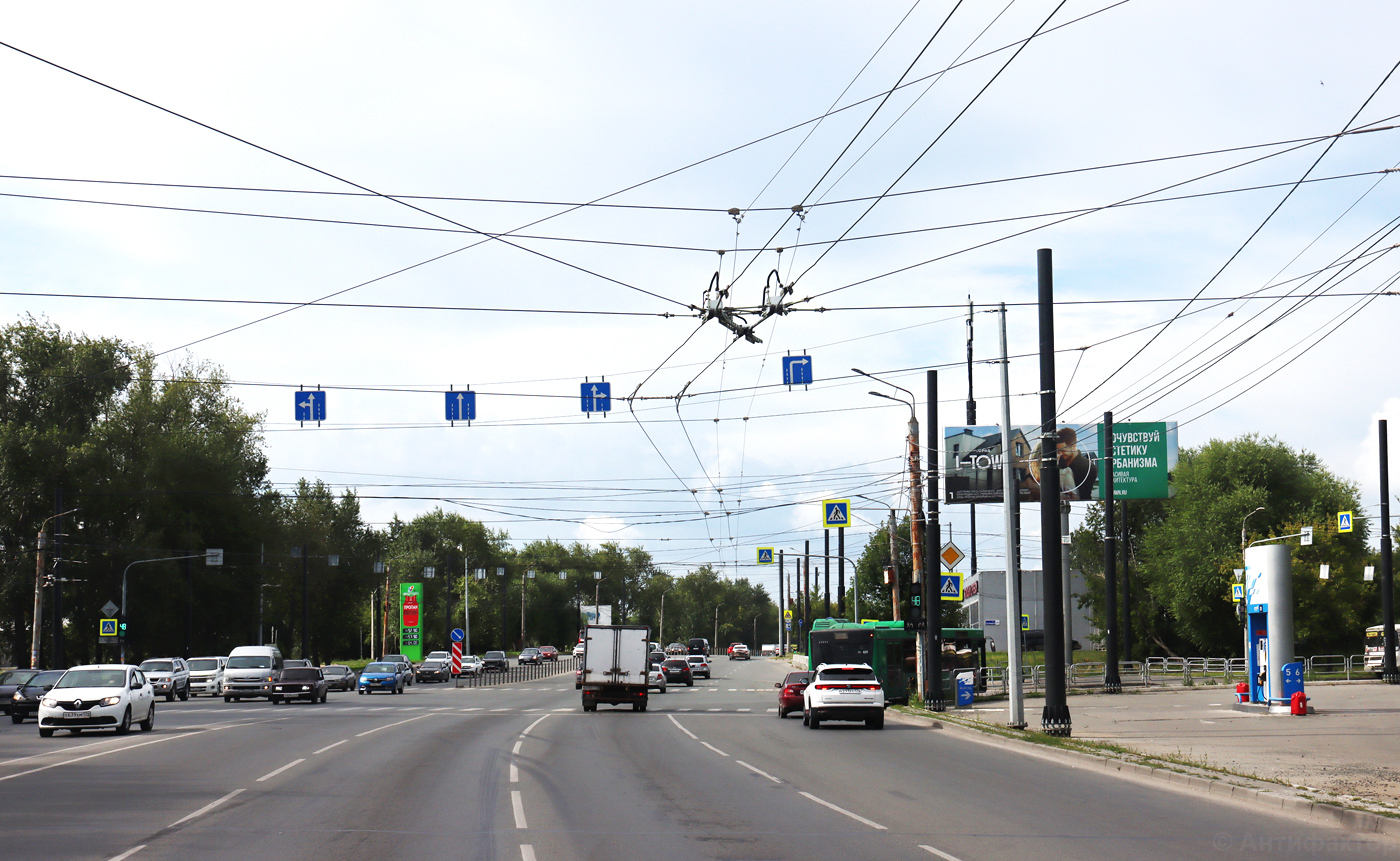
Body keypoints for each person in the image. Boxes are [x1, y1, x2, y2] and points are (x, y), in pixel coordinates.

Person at [1055, 426, 1098, 500]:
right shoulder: (1059, 464)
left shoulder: (1088, 467)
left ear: (1074, 446)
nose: (1060, 454)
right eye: (1058, 451)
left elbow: (1083, 495)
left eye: (1063, 450)